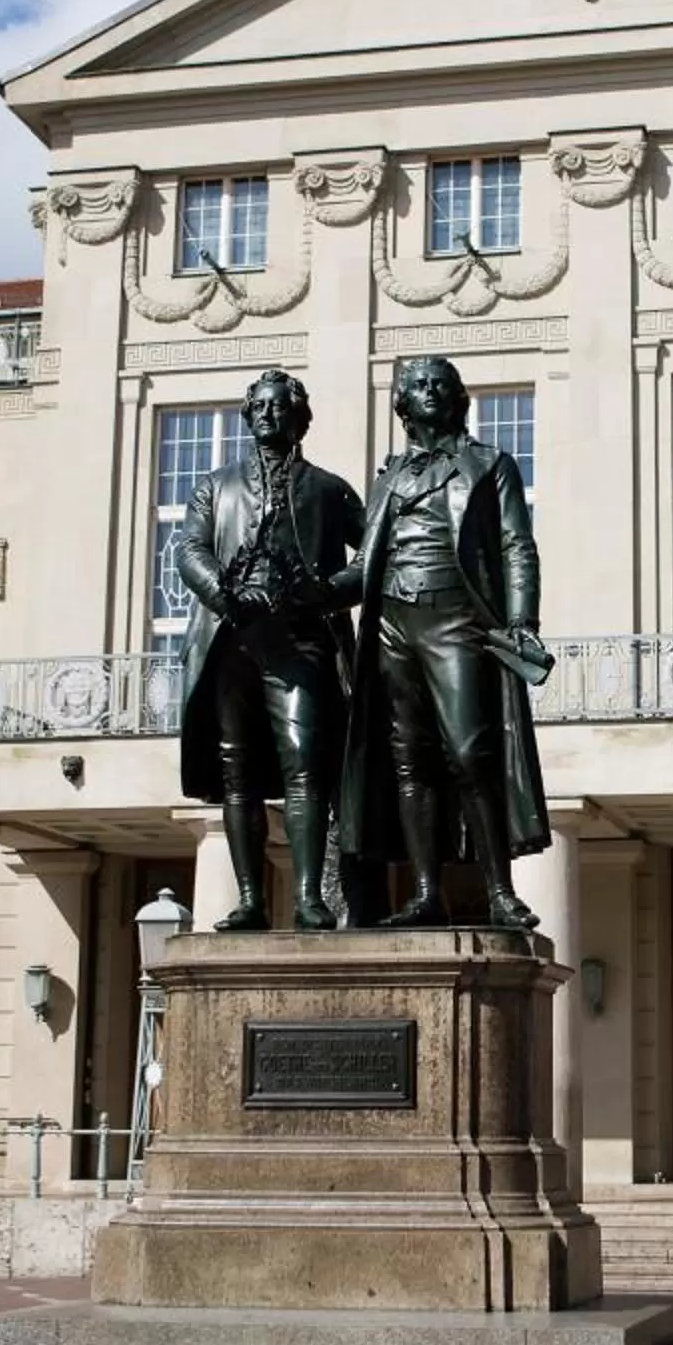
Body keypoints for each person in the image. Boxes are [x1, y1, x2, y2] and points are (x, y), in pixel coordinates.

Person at [337, 355, 552, 930]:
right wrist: (303, 593)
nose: (429, 391)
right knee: (410, 761)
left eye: (440, 384)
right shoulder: (388, 479)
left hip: (455, 617)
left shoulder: (490, 465)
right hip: (391, 624)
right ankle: (427, 890)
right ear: (402, 405)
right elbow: (364, 569)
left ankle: (498, 889)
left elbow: (516, 546)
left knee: (469, 751)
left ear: (459, 400)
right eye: (417, 385)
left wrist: (521, 619)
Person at [173, 370, 366, 930]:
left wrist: (326, 593)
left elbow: (373, 557)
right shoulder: (215, 485)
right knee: (238, 770)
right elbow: (189, 549)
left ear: (300, 417)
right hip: (229, 639)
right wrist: (225, 592)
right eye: (258, 405)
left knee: (304, 760)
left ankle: (308, 897)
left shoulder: (328, 489)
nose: (267, 413)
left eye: (280, 406)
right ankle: (251, 898)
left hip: (300, 640)